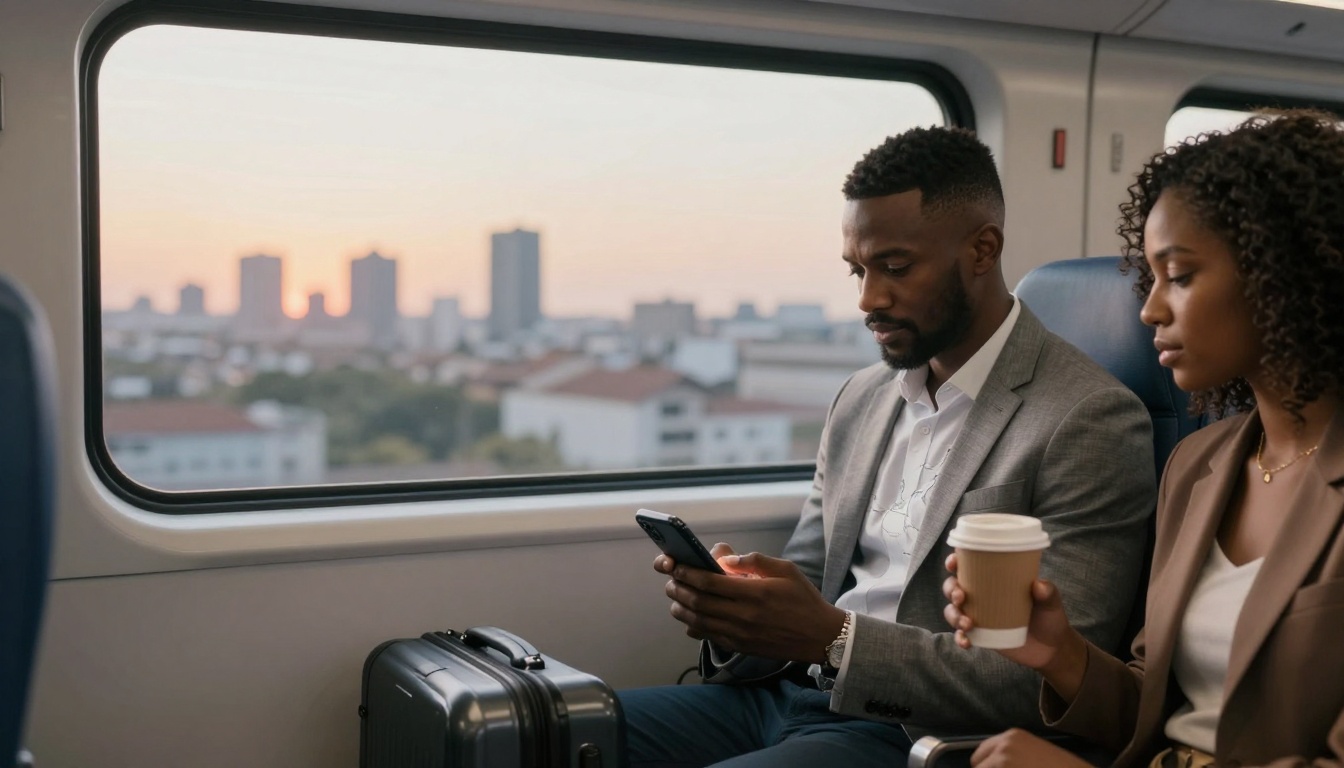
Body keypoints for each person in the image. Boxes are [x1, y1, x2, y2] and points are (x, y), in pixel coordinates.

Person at [618, 125, 1157, 768]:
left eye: (895, 268)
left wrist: (835, 639)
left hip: (906, 733)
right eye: (859, 270)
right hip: (781, 697)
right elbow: (812, 583)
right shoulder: (861, 399)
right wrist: (739, 613)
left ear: (982, 250)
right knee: (546, 725)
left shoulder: (1088, 418)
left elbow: (1045, 678)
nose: (869, 299)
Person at [942, 109, 1344, 768]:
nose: (1150, 309)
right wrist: (1058, 654)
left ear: (1284, 275)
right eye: (1149, 278)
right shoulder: (1198, 464)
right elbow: (1159, 717)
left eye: (1179, 276)